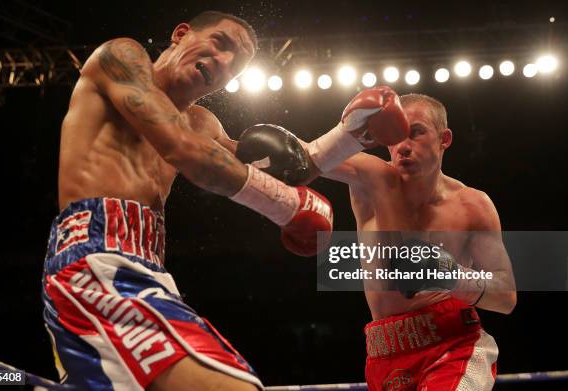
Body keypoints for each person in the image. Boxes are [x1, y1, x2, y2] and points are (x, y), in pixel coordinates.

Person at [42, 10, 338, 391]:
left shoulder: (202, 124)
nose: (225, 63)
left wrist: (353, 131)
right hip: (95, 260)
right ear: (181, 34)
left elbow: (287, 167)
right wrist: (285, 205)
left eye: (236, 65)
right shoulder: (122, 58)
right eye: (220, 43)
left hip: (149, 269)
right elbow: (187, 153)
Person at [236, 90, 517, 390]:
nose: (403, 147)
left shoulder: (473, 205)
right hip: (385, 353)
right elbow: (296, 157)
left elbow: (506, 296)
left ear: (444, 139)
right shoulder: (371, 177)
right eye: (395, 138)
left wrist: (447, 275)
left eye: (416, 133)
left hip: (453, 344)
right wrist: (223, 145)